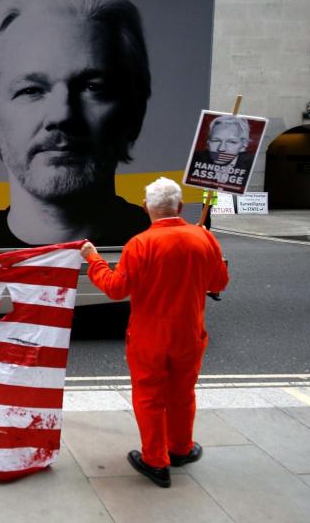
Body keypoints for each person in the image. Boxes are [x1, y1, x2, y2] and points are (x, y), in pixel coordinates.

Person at [0, 0, 151, 248]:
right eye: (30, 90)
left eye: (92, 88)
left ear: (135, 112)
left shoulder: (175, 260)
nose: (62, 116)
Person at [80, 177, 229, 488]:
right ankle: (181, 449)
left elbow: (115, 288)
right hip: (189, 332)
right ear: (180, 206)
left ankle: (155, 460)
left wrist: (93, 260)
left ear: (146, 207)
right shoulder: (204, 238)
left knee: (149, 398)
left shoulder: (140, 244)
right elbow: (219, 284)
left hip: (149, 336)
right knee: (183, 394)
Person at [187, 115, 255, 189]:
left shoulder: (252, 165)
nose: (221, 148)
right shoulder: (193, 160)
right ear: (208, 142)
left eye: (231, 142)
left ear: (243, 145)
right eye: (216, 140)